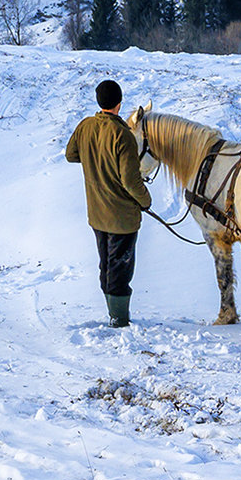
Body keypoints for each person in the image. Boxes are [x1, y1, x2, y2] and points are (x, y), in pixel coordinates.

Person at [64, 78, 153, 327]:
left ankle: (112, 314)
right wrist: (146, 201)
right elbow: (130, 180)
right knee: (121, 270)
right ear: (119, 104)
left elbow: (71, 155)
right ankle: (119, 320)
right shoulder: (122, 134)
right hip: (122, 218)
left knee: (106, 265)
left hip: (96, 213)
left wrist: (96, 158)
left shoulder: (86, 126)